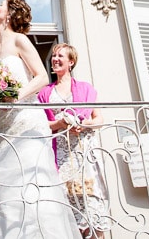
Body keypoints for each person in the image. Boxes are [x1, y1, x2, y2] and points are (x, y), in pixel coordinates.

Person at [0, 0, 81, 239]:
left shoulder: (20, 40)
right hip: (3, 127)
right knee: (4, 190)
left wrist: (15, 96)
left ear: (9, 14)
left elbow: (41, 76)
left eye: (0, 4)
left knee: (31, 186)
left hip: (26, 123)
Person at [37, 43, 110, 238]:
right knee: (68, 217)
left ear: (71, 62)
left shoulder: (86, 88)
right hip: (60, 157)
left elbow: (99, 119)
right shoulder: (45, 93)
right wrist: (59, 123)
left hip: (84, 155)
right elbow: (42, 125)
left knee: (93, 210)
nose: (55, 59)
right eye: (53, 56)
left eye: (60, 56)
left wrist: (85, 123)